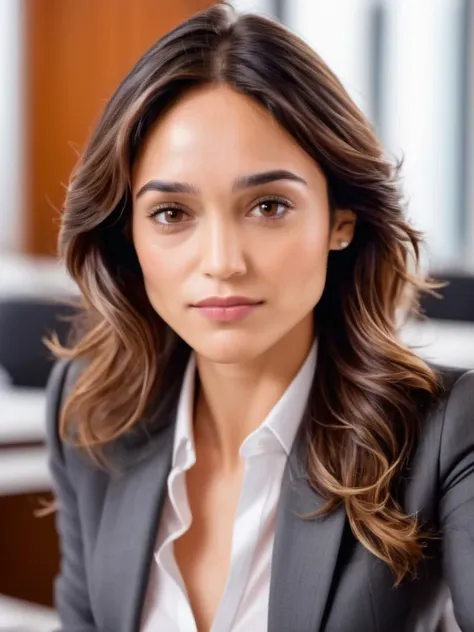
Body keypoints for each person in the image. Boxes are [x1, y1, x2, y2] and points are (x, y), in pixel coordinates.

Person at [45, 3, 474, 631]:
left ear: (339, 222)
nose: (222, 263)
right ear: (126, 234)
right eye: (171, 213)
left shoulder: (445, 430)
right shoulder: (91, 407)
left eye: (269, 206)